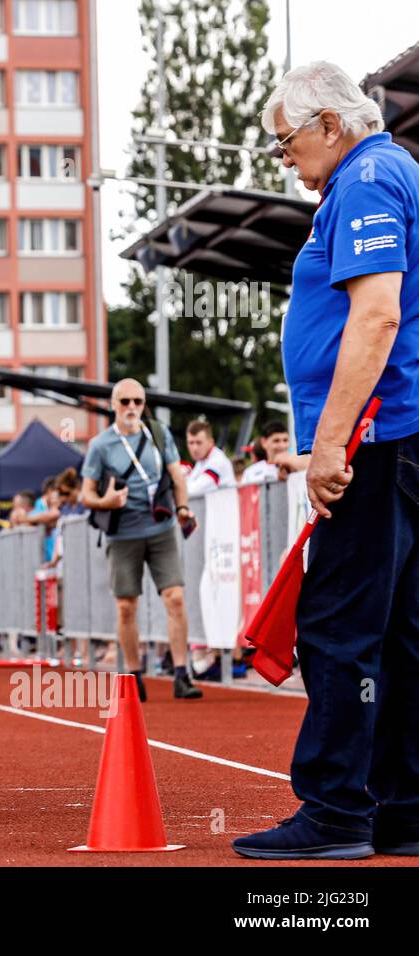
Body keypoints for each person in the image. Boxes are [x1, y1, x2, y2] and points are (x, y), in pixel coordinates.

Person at [233, 62, 419, 860]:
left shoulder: (368, 178)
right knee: (401, 629)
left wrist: (332, 443)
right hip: (397, 437)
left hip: (376, 439)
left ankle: (338, 809)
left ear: (330, 125)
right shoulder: (389, 171)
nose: (283, 156)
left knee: (339, 626)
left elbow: (374, 317)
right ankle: (402, 806)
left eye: (285, 139)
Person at [79, 378, 202, 701]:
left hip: (160, 529)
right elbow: (86, 495)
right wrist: (107, 501)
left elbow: (177, 476)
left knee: (175, 596)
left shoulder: (159, 434)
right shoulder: (100, 445)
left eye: (138, 401)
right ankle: (134, 675)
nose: (132, 407)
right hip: (122, 534)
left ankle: (181, 673)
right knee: (125, 606)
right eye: (125, 402)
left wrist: (184, 508)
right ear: (113, 405)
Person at [184, 419, 237, 495]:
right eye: (191, 443)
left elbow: (194, 491)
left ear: (211, 442)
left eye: (199, 443)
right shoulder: (202, 460)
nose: (194, 448)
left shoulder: (218, 461)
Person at [240, 421, 293, 485]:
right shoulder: (250, 472)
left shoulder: (296, 466)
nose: (282, 445)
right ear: (264, 442)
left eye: (285, 440)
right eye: (276, 441)